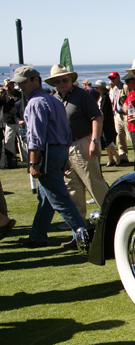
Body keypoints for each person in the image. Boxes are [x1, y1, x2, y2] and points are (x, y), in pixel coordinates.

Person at [10, 66, 89, 249]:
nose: (20, 86)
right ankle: (38, 236)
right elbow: (65, 129)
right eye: (19, 83)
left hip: (48, 153)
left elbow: (36, 137)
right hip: (58, 150)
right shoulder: (52, 100)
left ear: (35, 80)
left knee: (58, 197)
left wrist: (33, 161)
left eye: (23, 82)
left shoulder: (36, 103)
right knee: (47, 198)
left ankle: (83, 235)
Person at [46, 65, 108, 233]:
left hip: (83, 142)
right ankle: (78, 222)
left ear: (71, 80)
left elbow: (97, 117)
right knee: (72, 185)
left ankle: (110, 215)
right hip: (65, 145)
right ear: (53, 83)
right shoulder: (56, 98)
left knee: (93, 181)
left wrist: (94, 141)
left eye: (65, 80)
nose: (62, 83)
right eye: (57, 81)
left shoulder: (82, 95)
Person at [92, 80, 119, 166]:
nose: (96, 88)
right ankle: (111, 159)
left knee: (108, 141)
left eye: (97, 87)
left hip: (106, 123)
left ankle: (117, 158)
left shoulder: (105, 97)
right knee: (106, 142)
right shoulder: (102, 96)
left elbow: (105, 112)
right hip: (104, 122)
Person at [107, 71, 130, 165]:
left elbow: (130, 98)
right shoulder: (114, 89)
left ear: (118, 77)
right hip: (117, 114)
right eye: (111, 78)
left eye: (113, 78)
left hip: (125, 114)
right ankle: (122, 156)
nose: (112, 80)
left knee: (129, 135)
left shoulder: (124, 87)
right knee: (119, 136)